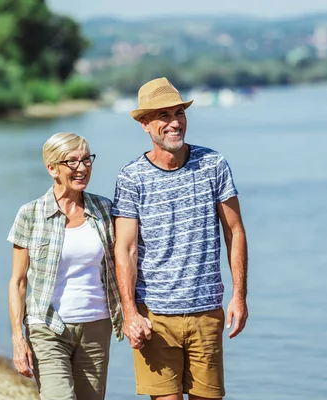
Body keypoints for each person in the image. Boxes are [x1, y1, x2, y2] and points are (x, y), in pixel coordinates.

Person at [112, 77, 249, 400]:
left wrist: (239, 296)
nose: (175, 123)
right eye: (164, 116)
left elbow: (235, 231)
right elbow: (126, 249)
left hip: (206, 313)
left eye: (179, 113)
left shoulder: (213, 164)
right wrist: (130, 314)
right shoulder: (131, 177)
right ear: (145, 123)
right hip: (154, 318)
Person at [7, 132, 123, 400]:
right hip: (47, 327)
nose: (82, 168)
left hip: (96, 325)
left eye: (86, 160)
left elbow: (125, 260)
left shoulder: (105, 209)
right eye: (71, 162)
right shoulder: (31, 213)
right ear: (52, 168)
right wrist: (17, 338)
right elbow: (18, 281)